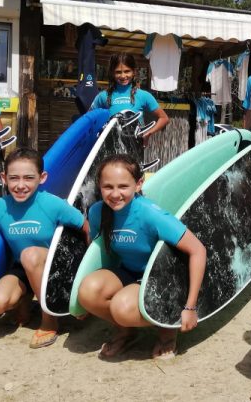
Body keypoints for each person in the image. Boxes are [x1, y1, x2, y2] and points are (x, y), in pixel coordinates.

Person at [77, 154, 206, 360]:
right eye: (108, 187)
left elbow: (198, 250)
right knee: (87, 293)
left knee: (121, 308)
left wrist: (190, 306)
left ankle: (166, 328)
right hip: (129, 271)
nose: (115, 194)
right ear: (99, 186)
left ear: (138, 184)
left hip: (163, 277)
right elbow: (95, 248)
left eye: (123, 186)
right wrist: (82, 305)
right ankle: (126, 332)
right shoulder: (97, 211)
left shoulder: (151, 214)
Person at [0, 148, 90, 349]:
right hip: (22, 267)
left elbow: (86, 229)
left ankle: (49, 319)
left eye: (29, 178)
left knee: (30, 254)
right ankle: (26, 299)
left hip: (56, 269)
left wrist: (84, 275)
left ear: (42, 178)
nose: (21, 185)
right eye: (14, 178)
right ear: (4, 178)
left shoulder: (53, 204)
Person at [89, 53, 169, 141]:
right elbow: (88, 119)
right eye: (118, 72)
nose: (123, 76)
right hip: (110, 146)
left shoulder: (143, 95)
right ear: (112, 73)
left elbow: (164, 118)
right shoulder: (103, 96)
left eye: (127, 71)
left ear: (134, 71)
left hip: (135, 148)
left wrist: (148, 133)